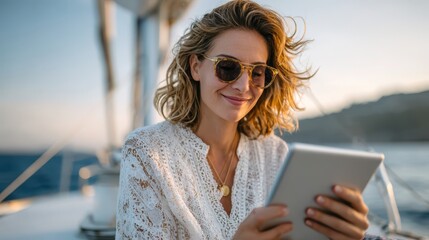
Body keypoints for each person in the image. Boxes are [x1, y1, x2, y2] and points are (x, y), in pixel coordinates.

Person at [116, 1, 378, 239]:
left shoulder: (274, 154)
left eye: (258, 72)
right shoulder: (146, 152)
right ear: (196, 66)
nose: (243, 86)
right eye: (227, 67)